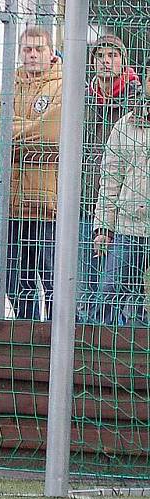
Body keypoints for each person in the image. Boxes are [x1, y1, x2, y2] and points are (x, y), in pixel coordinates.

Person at [0, 26, 62, 320]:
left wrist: (15, 132)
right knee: (13, 281)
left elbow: (53, 133)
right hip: (12, 201)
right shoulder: (6, 86)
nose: (32, 55)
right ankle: (27, 332)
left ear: (51, 52)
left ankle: (51, 340)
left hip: (48, 204)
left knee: (52, 280)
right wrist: (29, 131)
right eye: (27, 49)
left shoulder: (64, 85)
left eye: (39, 49)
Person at [78, 34, 141, 322]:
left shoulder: (137, 102)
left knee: (121, 286)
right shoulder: (81, 98)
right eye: (100, 55)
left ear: (123, 60)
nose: (106, 60)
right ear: (92, 62)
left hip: (130, 205)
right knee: (88, 282)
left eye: (113, 55)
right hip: (86, 198)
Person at [92, 64, 150, 326]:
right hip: (130, 229)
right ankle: (97, 360)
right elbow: (110, 180)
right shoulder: (125, 125)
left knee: (141, 310)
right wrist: (104, 227)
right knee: (107, 298)